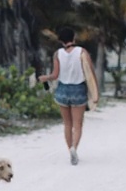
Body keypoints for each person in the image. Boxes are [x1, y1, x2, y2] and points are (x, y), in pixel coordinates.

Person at [38, 27, 98, 165]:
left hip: (62, 90)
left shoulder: (57, 54)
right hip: (78, 90)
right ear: (73, 38)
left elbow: (55, 75)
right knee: (78, 124)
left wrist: (44, 78)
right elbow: (89, 73)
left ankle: (69, 148)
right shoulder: (82, 52)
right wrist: (95, 93)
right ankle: (74, 149)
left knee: (67, 124)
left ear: (61, 40)